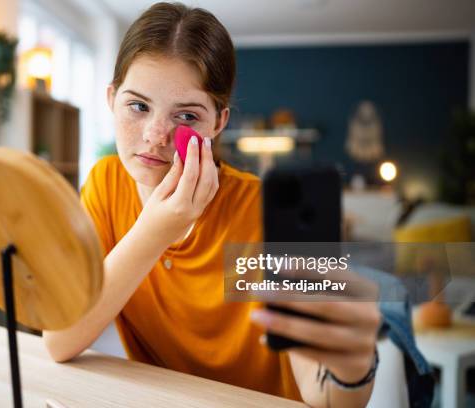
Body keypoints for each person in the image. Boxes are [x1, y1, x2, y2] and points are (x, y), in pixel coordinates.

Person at [43, 3, 380, 407]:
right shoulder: (104, 183)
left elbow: (323, 396)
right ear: (112, 98)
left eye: (186, 115)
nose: (155, 136)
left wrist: (353, 367)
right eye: (138, 106)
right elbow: (60, 340)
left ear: (218, 123)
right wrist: (156, 230)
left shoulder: (266, 210)